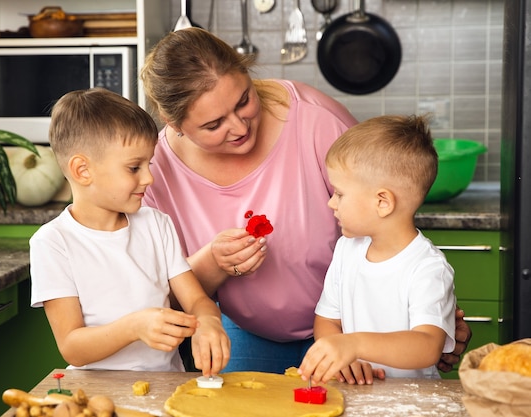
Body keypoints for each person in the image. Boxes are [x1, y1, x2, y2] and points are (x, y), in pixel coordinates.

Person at [139, 27, 471, 374]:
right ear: (173, 122)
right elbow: (156, 299)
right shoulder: (153, 173)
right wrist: (212, 263)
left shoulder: (318, 120)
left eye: (243, 101)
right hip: (251, 334)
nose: (238, 127)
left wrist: (435, 318)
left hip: (353, 332)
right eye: (214, 124)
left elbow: (391, 221)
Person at [29, 88, 230, 376]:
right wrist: (134, 327)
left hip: (166, 387)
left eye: (148, 164)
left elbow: (197, 300)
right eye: (134, 167)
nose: (148, 177)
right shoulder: (52, 243)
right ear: (83, 171)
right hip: (96, 392)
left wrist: (209, 321)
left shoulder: (156, 224)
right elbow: (72, 347)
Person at [298, 114, 457, 385]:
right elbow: (326, 321)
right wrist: (346, 358)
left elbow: (427, 345)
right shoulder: (346, 249)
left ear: (382, 202)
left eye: (340, 193)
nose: (331, 203)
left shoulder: (428, 267)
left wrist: (354, 344)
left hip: (414, 402)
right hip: (358, 392)